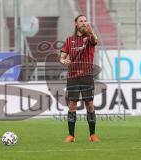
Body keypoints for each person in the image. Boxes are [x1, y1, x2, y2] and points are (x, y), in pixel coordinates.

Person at [60, 14, 99, 143]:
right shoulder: (69, 40)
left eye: (85, 21)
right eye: (81, 21)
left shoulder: (90, 38)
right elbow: (62, 57)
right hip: (73, 76)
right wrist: (63, 60)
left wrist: (91, 31)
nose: (84, 23)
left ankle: (92, 135)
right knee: (72, 105)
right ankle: (71, 136)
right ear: (76, 23)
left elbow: (95, 41)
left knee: (89, 104)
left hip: (87, 75)